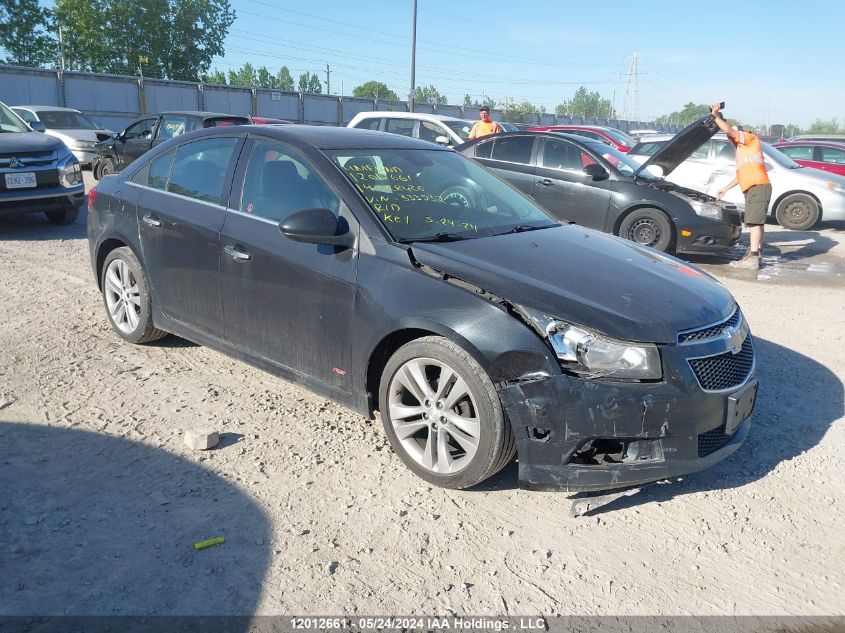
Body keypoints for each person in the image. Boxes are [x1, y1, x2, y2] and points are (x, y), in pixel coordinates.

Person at [710, 102, 772, 270]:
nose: (731, 140)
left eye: (732, 138)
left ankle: (753, 258)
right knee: (758, 222)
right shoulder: (742, 152)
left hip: (758, 186)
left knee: (754, 223)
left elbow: (729, 131)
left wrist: (715, 115)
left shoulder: (750, 139)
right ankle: (757, 253)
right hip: (754, 187)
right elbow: (740, 176)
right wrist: (725, 188)